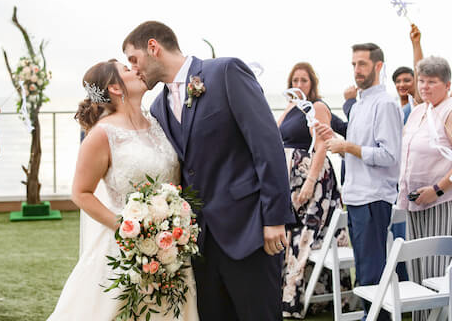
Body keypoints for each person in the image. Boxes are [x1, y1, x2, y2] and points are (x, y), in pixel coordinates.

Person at [124, 21, 294, 321]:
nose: (134, 69)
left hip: (250, 231)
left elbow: (267, 145)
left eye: (133, 59)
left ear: (153, 47)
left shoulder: (226, 72)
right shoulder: (158, 109)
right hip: (199, 246)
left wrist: (275, 217)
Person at [47, 59, 198, 320]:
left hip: (170, 247)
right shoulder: (102, 134)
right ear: (115, 88)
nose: (136, 70)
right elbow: (80, 193)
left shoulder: (157, 122)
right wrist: (128, 226)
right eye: (127, 70)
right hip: (125, 249)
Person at [320, 43, 403, 321]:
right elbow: (357, 147)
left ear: (378, 66)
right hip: (356, 196)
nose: (357, 69)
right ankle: (372, 316)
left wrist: (347, 147)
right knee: (364, 271)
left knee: (371, 271)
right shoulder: (359, 104)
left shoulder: (386, 103)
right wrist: (331, 132)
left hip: (373, 197)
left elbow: (389, 155)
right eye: (354, 64)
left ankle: (377, 317)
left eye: (363, 64)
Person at [277, 62, 350, 318]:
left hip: (313, 179)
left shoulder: (317, 107)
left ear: (312, 83)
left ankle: (306, 298)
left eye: (304, 81)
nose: (298, 85)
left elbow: (320, 145)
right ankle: (291, 293)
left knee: (307, 234)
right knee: (291, 233)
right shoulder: (290, 107)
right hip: (289, 179)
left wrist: (310, 181)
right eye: (294, 80)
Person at [396, 56, 452, 321]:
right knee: (417, 268)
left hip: (442, 201)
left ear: (446, 84)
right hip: (413, 202)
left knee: (439, 269)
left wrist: (437, 189)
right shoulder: (420, 111)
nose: (424, 87)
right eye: (421, 81)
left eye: (431, 82)